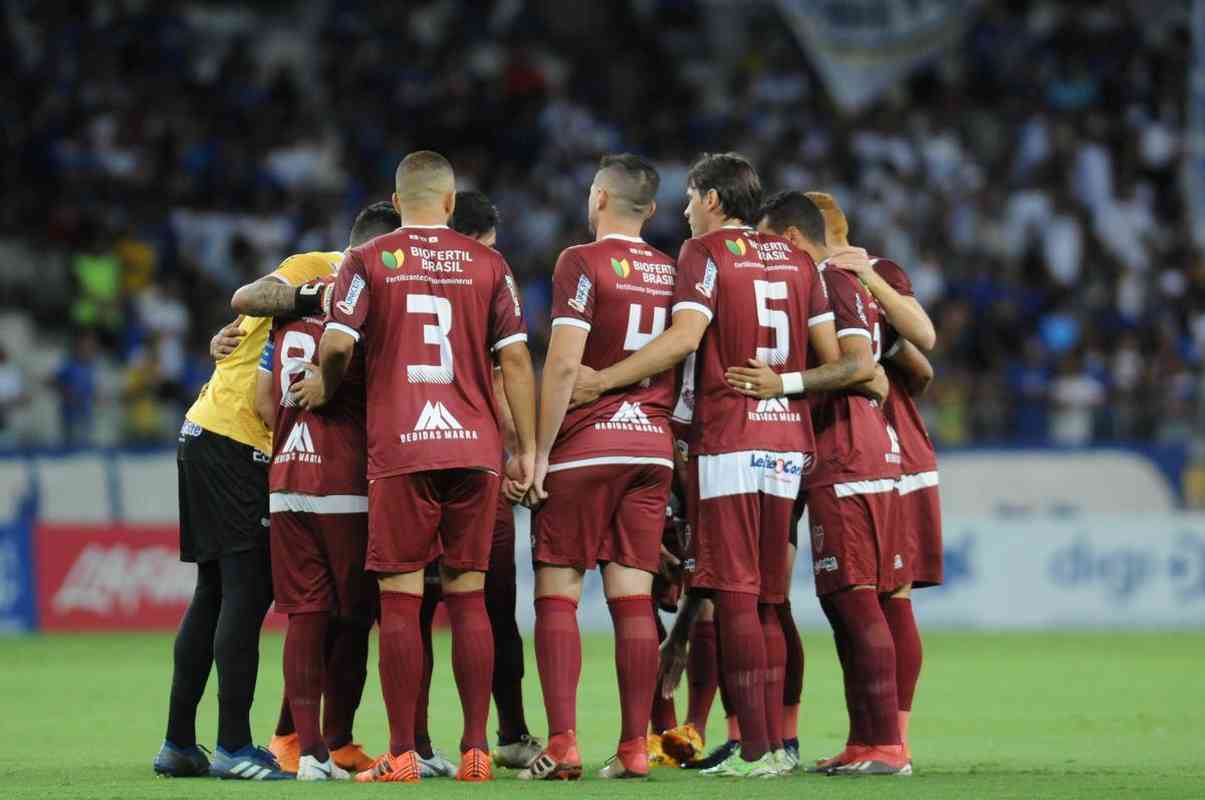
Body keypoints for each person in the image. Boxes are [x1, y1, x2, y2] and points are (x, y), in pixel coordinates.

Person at [570, 153, 869, 778]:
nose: (682, 210)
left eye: (688, 198)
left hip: (730, 438)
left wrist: (602, 383)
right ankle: (776, 746)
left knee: (733, 596)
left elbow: (682, 339)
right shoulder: (797, 261)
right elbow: (843, 361)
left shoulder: (703, 255)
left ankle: (756, 751)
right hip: (788, 442)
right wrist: (785, 384)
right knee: (766, 599)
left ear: (710, 198)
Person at [299, 151, 537, 784]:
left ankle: (403, 753)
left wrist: (323, 388)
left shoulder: (366, 260)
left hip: (404, 448)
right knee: (469, 599)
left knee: (401, 601)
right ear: (452, 203)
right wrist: (531, 451)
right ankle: (477, 750)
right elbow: (515, 363)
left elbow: (339, 343)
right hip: (475, 450)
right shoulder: (491, 265)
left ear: (397, 202)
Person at [153, 214, 345, 781]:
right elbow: (254, 295)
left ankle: (179, 744)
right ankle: (234, 745)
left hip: (207, 431)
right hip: (239, 439)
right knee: (246, 591)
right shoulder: (325, 267)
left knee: (212, 591)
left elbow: (247, 327)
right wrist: (315, 295)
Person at [728, 190, 910, 775]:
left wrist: (780, 384)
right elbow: (893, 361)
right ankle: (866, 742)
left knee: (857, 601)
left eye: (768, 243)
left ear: (790, 240)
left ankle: (887, 747)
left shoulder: (828, 280)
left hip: (847, 454)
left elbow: (859, 363)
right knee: (844, 602)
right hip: (854, 451)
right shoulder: (839, 281)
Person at [517, 154, 676, 780]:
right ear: (654, 210)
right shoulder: (672, 271)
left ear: (599, 198)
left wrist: (539, 452)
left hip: (587, 446)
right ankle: (635, 748)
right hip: (651, 450)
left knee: (558, 594)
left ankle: (563, 745)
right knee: (633, 599)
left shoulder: (580, 262)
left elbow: (561, 367)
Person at [253, 202, 401, 781]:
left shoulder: (293, 302)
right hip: (347, 481)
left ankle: (308, 753)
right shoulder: (368, 306)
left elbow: (265, 399)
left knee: (303, 617)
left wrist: (295, 441)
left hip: (288, 476)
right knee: (356, 615)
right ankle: (336, 740)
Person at [812, 191, 940, 769]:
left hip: (894, 449)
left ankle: (894, 737)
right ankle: (869, 736)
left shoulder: (873, 271)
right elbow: (919, 366)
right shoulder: (813, 280)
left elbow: (926, 347)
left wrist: (869, 278)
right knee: (863, 595)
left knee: (893, 593)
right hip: (857, 444)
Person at [448, 190, 544, 771]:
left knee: (395, 611)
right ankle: (503, 734)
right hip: (477, 469)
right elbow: (507, 372)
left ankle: (410, 744)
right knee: (492, 609)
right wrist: (519, 452)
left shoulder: (391, 274)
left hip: (406, 462)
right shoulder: (488, 279)